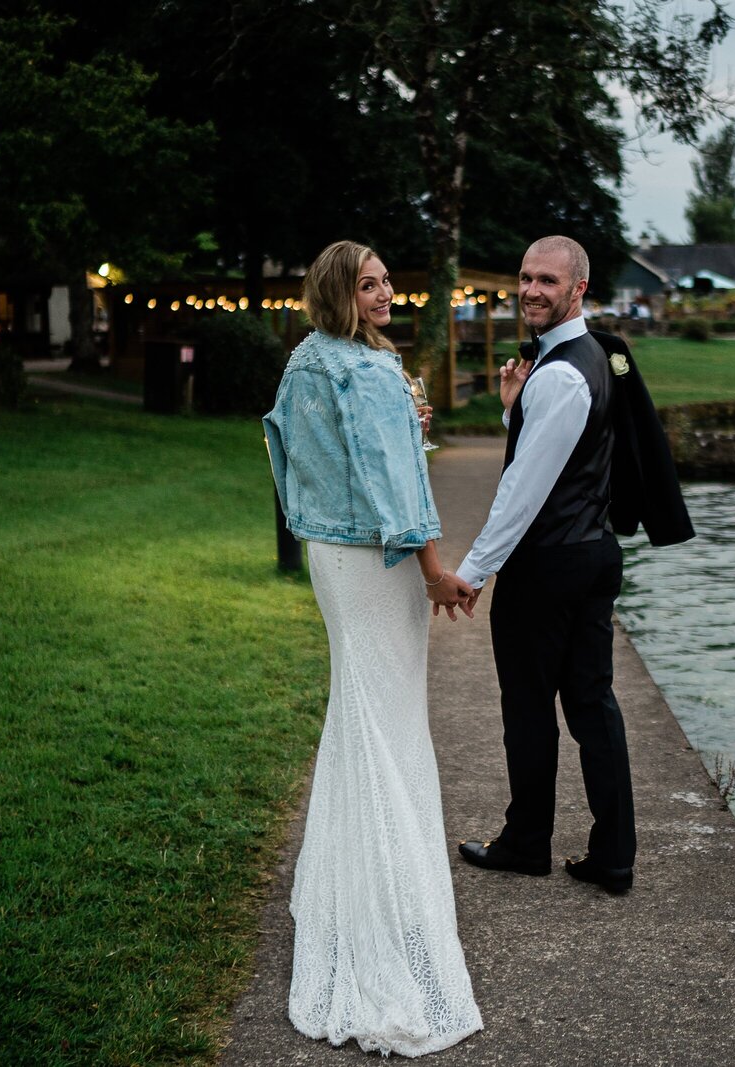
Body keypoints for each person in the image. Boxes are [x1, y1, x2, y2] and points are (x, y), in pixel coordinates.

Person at [262, 240, 482, 1056]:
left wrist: (393, 434)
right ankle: (393, 910)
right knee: (388, 720)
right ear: (337, 291)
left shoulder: (306, 361)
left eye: (389, 281)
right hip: (383, 562)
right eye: (369, 283)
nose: (387, 293)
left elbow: (284, 448)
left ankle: (352, 891)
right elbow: (397, 484)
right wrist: (432, 570)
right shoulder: (371, 371)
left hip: (330, 556)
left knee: (357, 710)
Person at [453, 236, 692, 898]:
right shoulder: (593, 358)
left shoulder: (559, 374)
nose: (531, 289)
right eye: (525, 277)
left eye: (547, 280)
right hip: (592, 555)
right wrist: (511, 406)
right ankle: (613, 856)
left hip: (548, 565)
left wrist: (471, 571)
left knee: (530, 708)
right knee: (593, 705)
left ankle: (527, 843)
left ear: (577, 288)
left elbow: (524, 491)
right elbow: (571, 454)